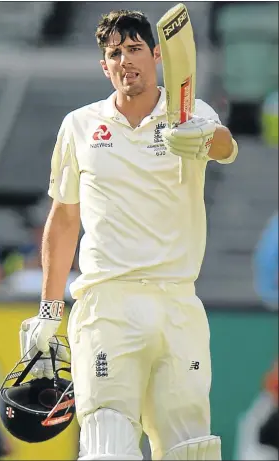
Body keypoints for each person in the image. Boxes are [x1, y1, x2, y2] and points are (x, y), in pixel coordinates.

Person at [19, 10, 238, 461]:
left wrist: (200, 136)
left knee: (190, 451)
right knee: (107, 449)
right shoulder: (80, 125)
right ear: (105, 66)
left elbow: (226, 145)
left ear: (157, 55)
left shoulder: (191, 112)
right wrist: (48, 309)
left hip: (178, 303)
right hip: (108, 306)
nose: (125, 60)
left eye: (134, 49)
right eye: (114, 54)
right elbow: (63, 221)